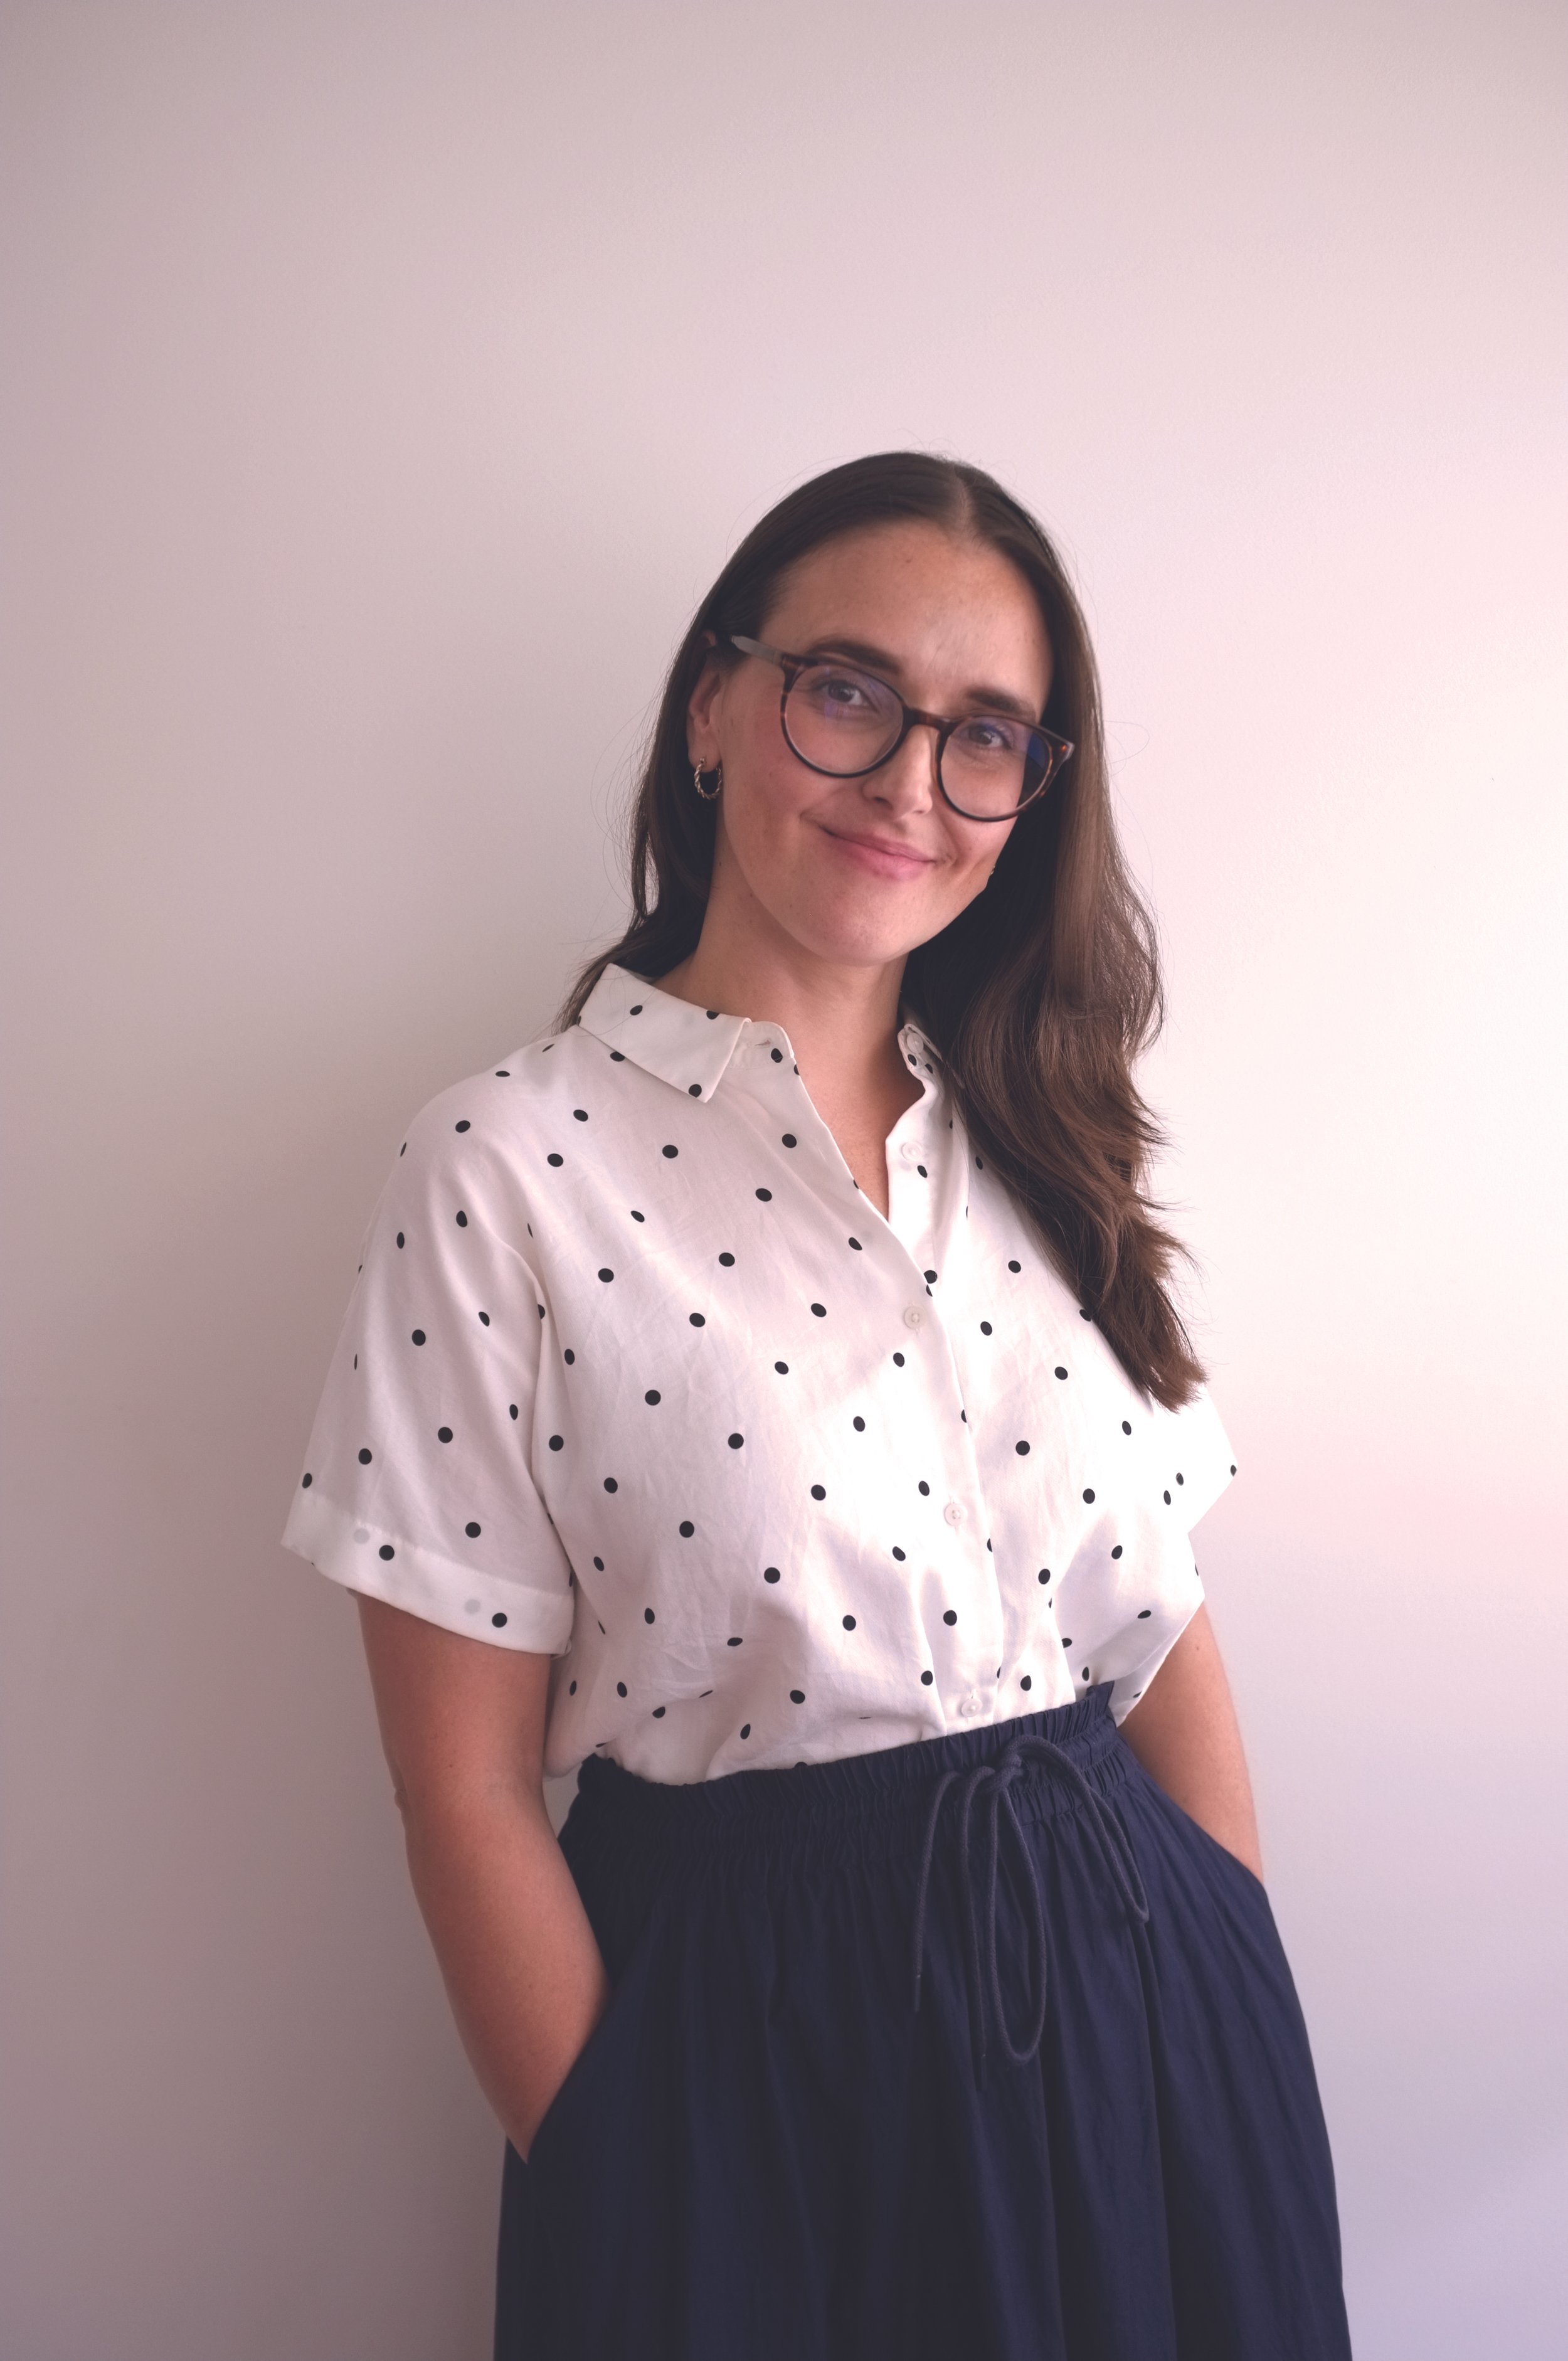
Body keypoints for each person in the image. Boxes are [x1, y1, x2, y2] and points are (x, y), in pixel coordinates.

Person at [282, 452, 1352, 2360]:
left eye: (986, 736)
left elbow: (1156, 1609)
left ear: (1034, 792)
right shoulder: (505, 1166)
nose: (908, 787)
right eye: (848, 692)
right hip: (753, 2070)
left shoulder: (1045, 1139)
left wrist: (1228, 1978)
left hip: (1149, 2039)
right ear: (715, 705)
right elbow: (459, 1780)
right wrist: (617, 2165)